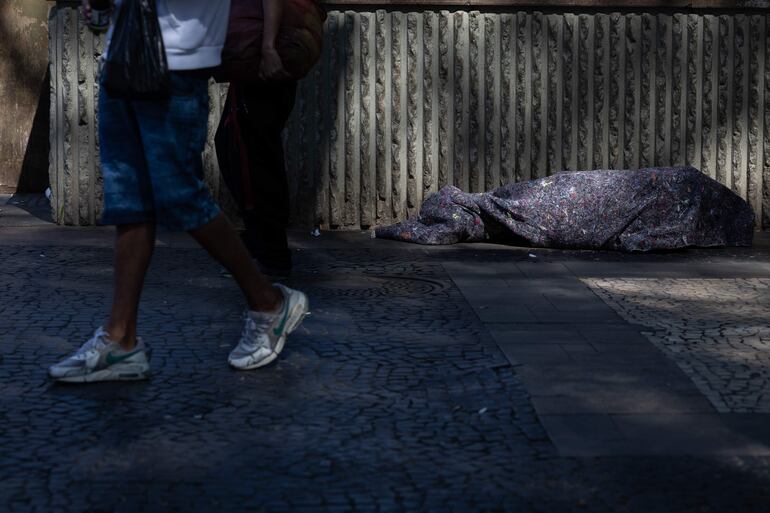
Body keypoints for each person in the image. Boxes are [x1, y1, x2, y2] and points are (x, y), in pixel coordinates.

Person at [48, 0, 308, 383]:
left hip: (181, 63)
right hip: (123, 53)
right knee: (128, 198)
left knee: (180, 194)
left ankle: (269, 303)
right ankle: (120, 340)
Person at [215, 0, 297, 278]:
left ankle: (273, 255)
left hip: (264, 59)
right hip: (255, 60)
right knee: (232, 145)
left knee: (256, 159)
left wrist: (268, 48)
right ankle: (258, 240)